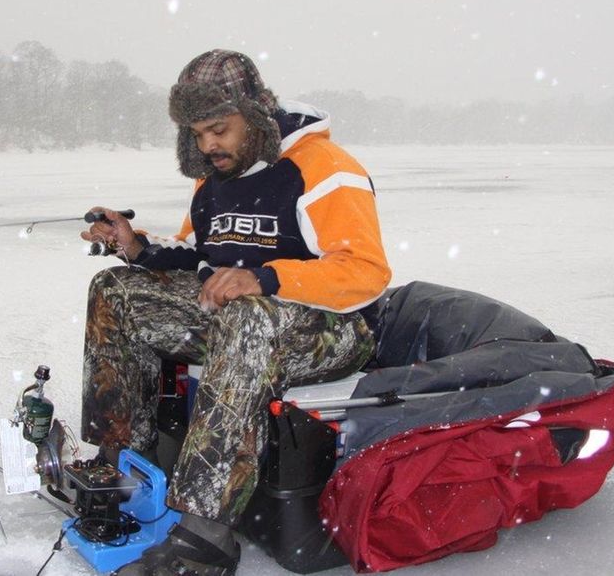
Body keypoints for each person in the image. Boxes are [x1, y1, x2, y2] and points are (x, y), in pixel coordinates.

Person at [80, 49, 391, 576]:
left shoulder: (325, 169)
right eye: (197, 134)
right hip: (243, 320)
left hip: (334, 327)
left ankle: (206, 534)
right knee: (116, 289)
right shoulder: (213, 179)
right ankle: (124, 465)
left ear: (255, 115)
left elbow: (365, 271)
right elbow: (197, 253)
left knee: (247, 316)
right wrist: (135, 246)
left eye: (219, 130)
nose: (208, 146)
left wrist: (267, 278)